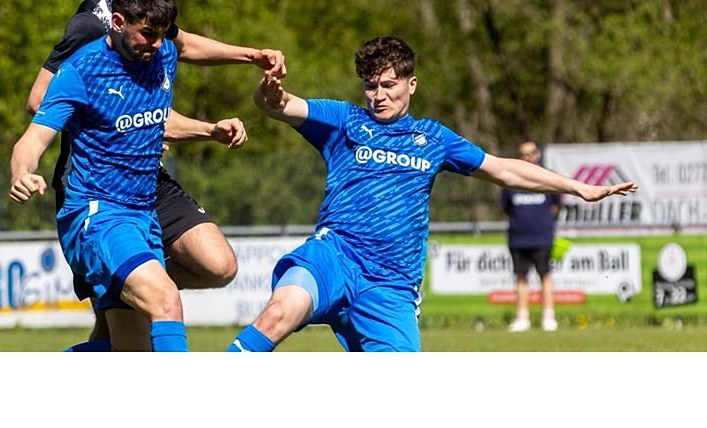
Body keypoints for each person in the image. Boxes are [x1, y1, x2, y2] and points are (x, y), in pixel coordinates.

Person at [227, 35, 638, 352]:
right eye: (370, 86)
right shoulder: (344, 120)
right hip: (336, 254)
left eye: (389, 85)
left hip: (391, 283)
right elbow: (277, 106)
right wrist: (270, 90)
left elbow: (504, 169)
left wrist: (579, 188)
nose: (378, 95)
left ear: (412, 83)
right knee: (280, 311)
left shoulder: (433, 138)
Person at [25, 0, 286, 350]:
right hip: (97, 186)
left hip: (147, 179)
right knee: (135, 332)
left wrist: (248, 55)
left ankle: (137, 284)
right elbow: (39, 98)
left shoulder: (152, 19)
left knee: (216, 265)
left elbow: (183, 46)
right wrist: (114, 129)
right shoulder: (92, 26)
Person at [12, 0, 196, 351]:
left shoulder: (164, 56)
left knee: (129, 352)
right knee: (167, 300)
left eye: (163, 35)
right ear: (117, 22)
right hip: (97, 215)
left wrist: (210, 129)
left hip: (144, 215)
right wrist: (21, 172)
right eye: (147, 33)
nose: (157, 44)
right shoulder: (82, 71)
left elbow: (155, 115)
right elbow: (33, 138)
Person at [501, 140, 561, 333]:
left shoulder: (548, 177)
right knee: (521, 278)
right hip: (518, 238)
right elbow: (506, 208)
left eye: (531, 153)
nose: (527, 157)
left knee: (545, 276)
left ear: (537, 154)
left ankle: (549, 317)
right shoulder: (510, 179)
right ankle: (522, 318)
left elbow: (556, 206)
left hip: (542, 238)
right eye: (523, 154)